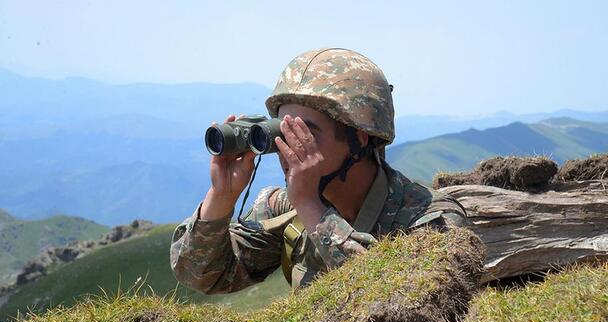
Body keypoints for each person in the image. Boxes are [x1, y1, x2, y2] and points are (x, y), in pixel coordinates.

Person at [170, 48, 469, 293]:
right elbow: (204, 276)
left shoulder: (432, 219)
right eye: (283, 132)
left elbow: (394, 300)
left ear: (359, 138)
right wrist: (221, 197)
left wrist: (311, 206)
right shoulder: (282, 208)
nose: (290, 147)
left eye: (306, 133)